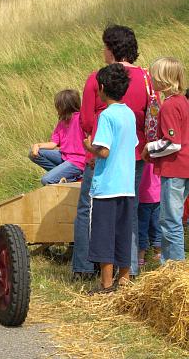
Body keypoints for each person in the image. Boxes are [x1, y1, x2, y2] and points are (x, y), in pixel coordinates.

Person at [72, 25, 149, 280]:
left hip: (102, 154)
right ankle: (129, 269)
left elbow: (85, 120)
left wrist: (91, 148)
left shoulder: (98, 78)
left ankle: (84, 266)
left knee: (89, 209)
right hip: (134, 154)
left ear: (112, 49)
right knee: (129, 212)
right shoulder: (146, 78)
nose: (103, 51)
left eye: (105, 47)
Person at [83, 64, 138, 294]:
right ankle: (124, 279)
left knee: (103, 234)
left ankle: (106, 284)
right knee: (123, 233)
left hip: (107, 186)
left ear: (103, 88)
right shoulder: (129, 114)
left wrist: (89, 147)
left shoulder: (106, 115)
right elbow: (130, 145)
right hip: (126, 185)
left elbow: (104, 150)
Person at [142, 57, 189, 262]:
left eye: (154, 76)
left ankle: (174, 266)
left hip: (174, 168)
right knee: (172, 218)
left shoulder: (170, 105)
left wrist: (149, 147)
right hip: (184, 166)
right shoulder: (183, 101)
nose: (152, 79)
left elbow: (173, 142)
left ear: (164, 78)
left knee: (170, 220)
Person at [28, 89, 86, 185]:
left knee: (46, 180)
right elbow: (53, 144)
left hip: (78, 161)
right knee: (33, 153)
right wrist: (37, 145)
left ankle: (71, 180)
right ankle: (70, 178)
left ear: (63, 106)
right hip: (65, 156)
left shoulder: (81, 118)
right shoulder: (62, 122)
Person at [137, 163, 161, 266]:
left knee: (141, 228)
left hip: (142, 196)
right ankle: (158, 254)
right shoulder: (156, 156)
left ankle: (140, 258)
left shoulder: (140, 156)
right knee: (157, 227)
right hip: (157, 195)